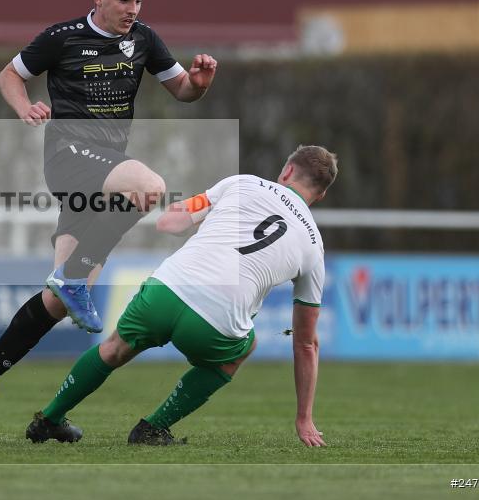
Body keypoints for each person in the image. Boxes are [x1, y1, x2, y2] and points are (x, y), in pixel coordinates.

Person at [0, 0, 218, 437]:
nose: (132, 9)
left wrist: (198, 85)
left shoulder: (144, 40)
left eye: (139, 0)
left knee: (55, 301)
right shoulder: (61, 37)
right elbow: (9, 76)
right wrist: (23, 108)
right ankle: (73, 281)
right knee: (151, 188)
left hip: (104, 170)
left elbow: (181, 88)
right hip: (67, 155)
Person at [24, 145, 337, 447]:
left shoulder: (243, 183)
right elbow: (306, 342)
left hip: (168, 289)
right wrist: (303, 418)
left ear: (288, 170)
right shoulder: (314, 246)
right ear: (320, 195)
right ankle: (153, 427)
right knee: (245, 346)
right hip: (216, 322)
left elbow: (168, 223)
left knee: (113, 348)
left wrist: (211, 223)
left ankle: (49, 418)